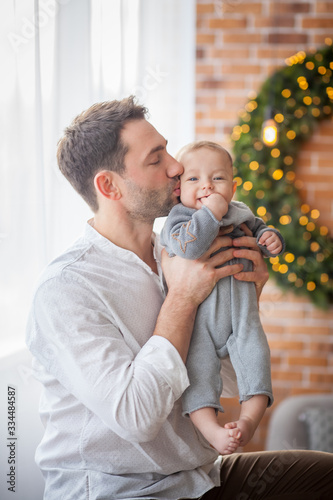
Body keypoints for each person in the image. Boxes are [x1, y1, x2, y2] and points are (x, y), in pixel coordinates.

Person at [26, 96, 333, 500]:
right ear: (109, 186)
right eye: (156, 160)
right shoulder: (67, 290)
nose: (177, 167)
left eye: (168, 150)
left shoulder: (181, 250)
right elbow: (138, 417)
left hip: (201, 478)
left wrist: (244, 298)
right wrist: (183, 299)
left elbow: (228, 379)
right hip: (125, 491)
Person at [160, 141, 285, 455]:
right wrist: (211, 213)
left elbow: (260, 233)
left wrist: (270, 238)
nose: (206, 186)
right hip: (198, 324)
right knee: (198, 376)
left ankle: (249, 420)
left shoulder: (240, 212)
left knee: (257, 358)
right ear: (177, 190)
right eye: (193, 179)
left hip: (243, 315)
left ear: (233, 184)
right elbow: (189, 247)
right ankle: (212, 430)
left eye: (217, 178)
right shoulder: (177, 219)